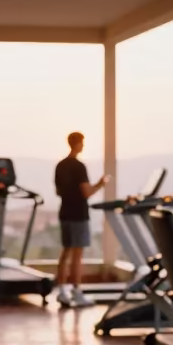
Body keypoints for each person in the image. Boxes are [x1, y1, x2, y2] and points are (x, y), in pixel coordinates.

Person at [54, 131, 110, 307]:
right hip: (78, 213)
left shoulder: (60, 166)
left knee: (65, 252)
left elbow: (58, 190)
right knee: (77, 255)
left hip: (64, 212)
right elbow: (87, 192)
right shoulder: (79, 167)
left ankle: (62, 291)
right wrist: (101, 184)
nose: (84, 146)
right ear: (77, 144)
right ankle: (77, 291)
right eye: (82, 142)